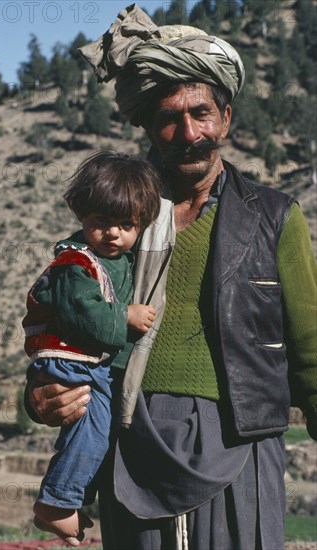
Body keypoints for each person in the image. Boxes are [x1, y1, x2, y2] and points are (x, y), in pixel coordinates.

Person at [25, 5, 317, 549]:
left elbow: (311, 350)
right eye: (169, 116)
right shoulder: (117, 222)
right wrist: (38, 393)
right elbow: (62, 310)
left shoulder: (276, 217)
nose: (189, 132)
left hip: (242, 440)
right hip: (131, 437)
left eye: (202, 113)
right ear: (144, 124)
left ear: (226, 118)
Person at [22, 150, 161, 547]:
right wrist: (126, 318)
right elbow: (86, 317)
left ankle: (69, 499)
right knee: (92, 429)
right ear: (82, 214)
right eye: (103, 222)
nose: (114, 234)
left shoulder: (122, 259)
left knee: (93, 429)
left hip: (86, 364)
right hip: (71, 363)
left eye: (126, 225)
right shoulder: (74, 265)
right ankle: (57, 502)